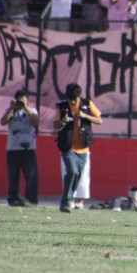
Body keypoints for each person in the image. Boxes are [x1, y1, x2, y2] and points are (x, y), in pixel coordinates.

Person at [54, 83, 103, 213]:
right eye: (70, 99)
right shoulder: (61, 106)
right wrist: (62, 122)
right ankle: (66, 202)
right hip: (67, 147)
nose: (73, 102)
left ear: (79, 96)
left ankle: (69, 200)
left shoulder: (88, 104)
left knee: (78, 176)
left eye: (75, 99)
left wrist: (85, 116)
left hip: (83, 149)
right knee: (72, 172)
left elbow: (99, 120)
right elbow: (55, 124)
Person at [0, 89, 39, 207]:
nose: (21, 102)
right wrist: (11, 108)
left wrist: (26, 107)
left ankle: (31, 200)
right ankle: (13, 198)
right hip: (12, 149)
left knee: (31, 176)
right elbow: (3, 122)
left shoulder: (32, 111)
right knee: (13, 176)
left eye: (23, 100)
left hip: (29, 149)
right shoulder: (11, 110)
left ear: (27, 100)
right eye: (19, 100)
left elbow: (37, 122)